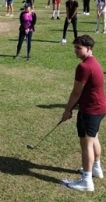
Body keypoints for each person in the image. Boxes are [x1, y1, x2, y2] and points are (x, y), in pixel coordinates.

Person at [61, 35, 106, 192]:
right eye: (75, 47)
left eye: (78, 48)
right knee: (94, 138)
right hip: (100, 109)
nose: (75, 50)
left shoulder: (84, 67)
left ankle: (86, 181)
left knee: (86, 145)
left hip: (90, 110)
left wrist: (67, 111)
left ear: (89, 48)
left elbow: (76, 93)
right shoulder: (94, 62)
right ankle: (96, 169)